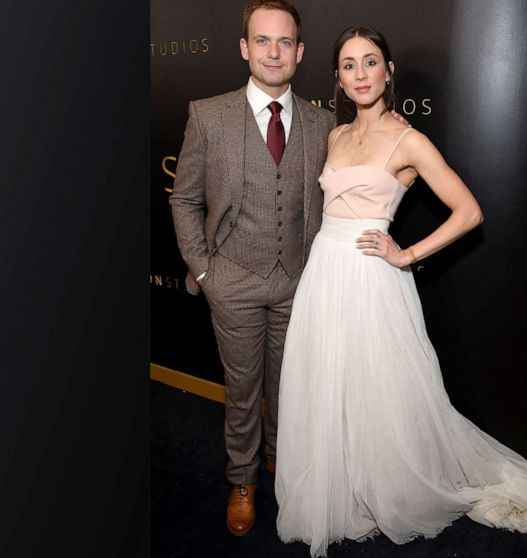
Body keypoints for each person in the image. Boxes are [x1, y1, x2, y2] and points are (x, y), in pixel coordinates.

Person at [274, 26, 527, 557]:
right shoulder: (336, 136)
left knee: (379, 386)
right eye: (349, 65)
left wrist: (405, 255)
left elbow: (469, 212)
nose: (360, 74)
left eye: (370, 61)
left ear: (389, 71)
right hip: (325, 272)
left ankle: (386, 485)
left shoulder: (409, 141)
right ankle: (343, 483)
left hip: (369, 276)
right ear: (336, 77)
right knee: (330, 379)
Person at [168, 0, 334, 537]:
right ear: (244, 48)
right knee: (242, 393)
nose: (273, 52)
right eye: (262, 41)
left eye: (284, 42)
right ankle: (243, 479)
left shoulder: (323, 122)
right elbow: (184, 199)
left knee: (292, 389)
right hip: (232, 283)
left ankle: (283, 468)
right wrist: (206, 270)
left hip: (297, 284)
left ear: (300, 52)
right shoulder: (207, 115)